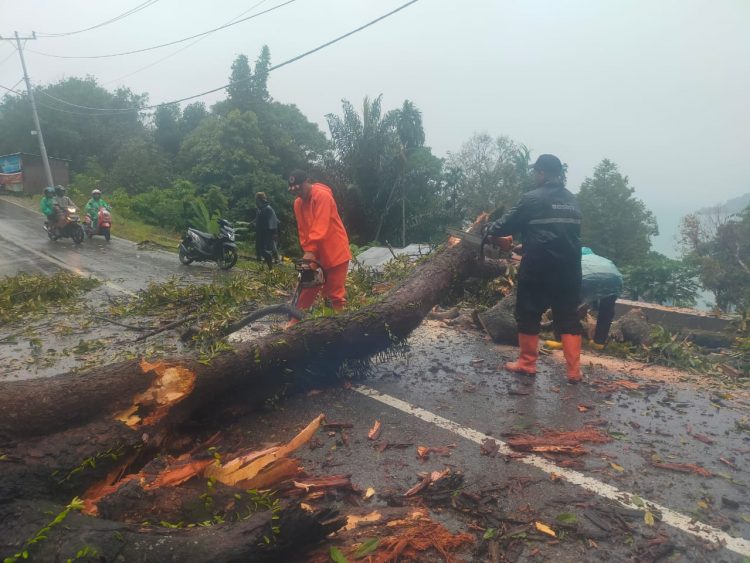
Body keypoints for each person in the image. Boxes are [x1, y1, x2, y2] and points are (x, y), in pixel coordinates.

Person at [486, 154, 584, 383]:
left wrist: (487, 228)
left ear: (541, 173)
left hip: (539, 265)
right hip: (569, 268)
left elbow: (504, 225)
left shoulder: (532, 198)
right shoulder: (572, 200)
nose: (534, 176)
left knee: (528, 311)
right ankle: (574, 371)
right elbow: (559, 233)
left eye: (535, 173)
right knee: (568, 316)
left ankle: (527, 363)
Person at [287, 170, 352, 314]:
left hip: (335, 251)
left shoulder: (322, 196)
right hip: (316, 253)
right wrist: (307, 251)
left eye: (300, 189)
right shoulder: (298, 203)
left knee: (333, 294)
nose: (299, 194)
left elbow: (320, 225)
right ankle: (295, 318)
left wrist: (310, 251)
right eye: (295, 191)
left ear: (306, 182)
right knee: (307, 285)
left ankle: (337, 323)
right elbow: (303, 230)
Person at [545, 247, 623, 350]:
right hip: (614, 279)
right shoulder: (599, 259)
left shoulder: (575, 259)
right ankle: (599, 342)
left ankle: (562, 340)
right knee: (607, 310)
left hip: (587, 278)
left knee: (564, 306)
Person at [254, 191, 279, 269]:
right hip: (260, 232)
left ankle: (270, 268)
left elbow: (273, 221)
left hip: (267, 233)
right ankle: (264, 266)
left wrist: (274, 232)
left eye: (257, 200)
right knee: (261, 249)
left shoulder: (268, 209)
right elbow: (258, 219)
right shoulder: (260, 209)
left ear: (260, 199)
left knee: (267, 250)